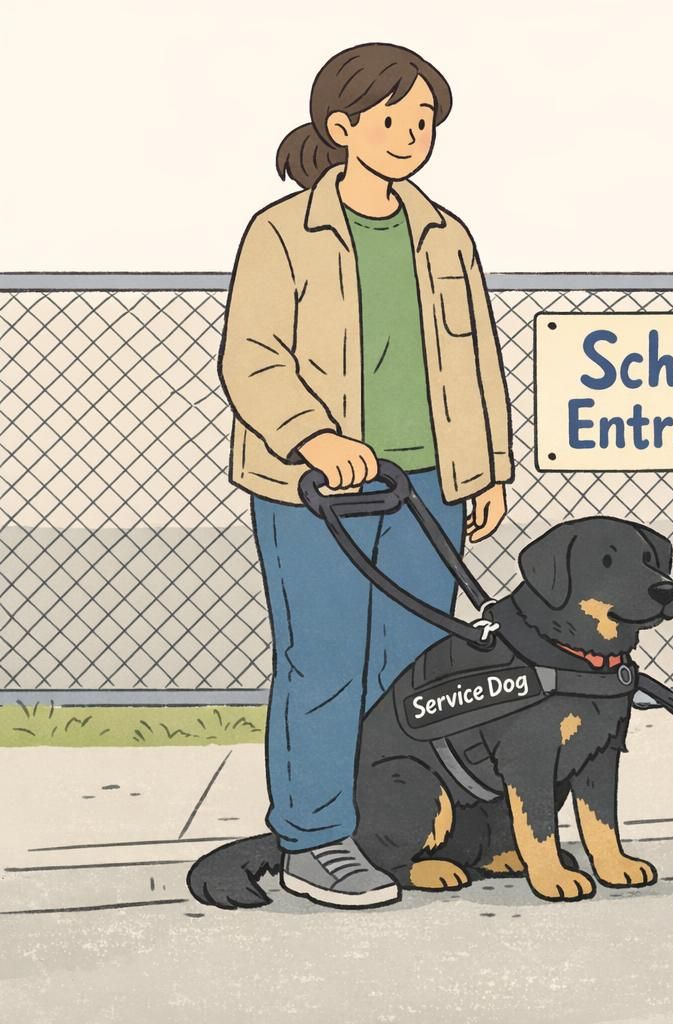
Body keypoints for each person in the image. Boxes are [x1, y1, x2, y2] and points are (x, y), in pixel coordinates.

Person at [219, 43, 513, 908]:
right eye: (394, 118)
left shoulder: (445, 234)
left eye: (424, 121)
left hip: (429, 488)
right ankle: (314, 838)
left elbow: (476, 363)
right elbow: (253, 357)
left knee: (415, 672)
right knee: (325, 665)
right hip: (317, 495)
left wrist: (486, 469)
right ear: (342, 127)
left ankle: (395, 831)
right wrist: (313, 437)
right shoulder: (282, 231)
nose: (413, 135)